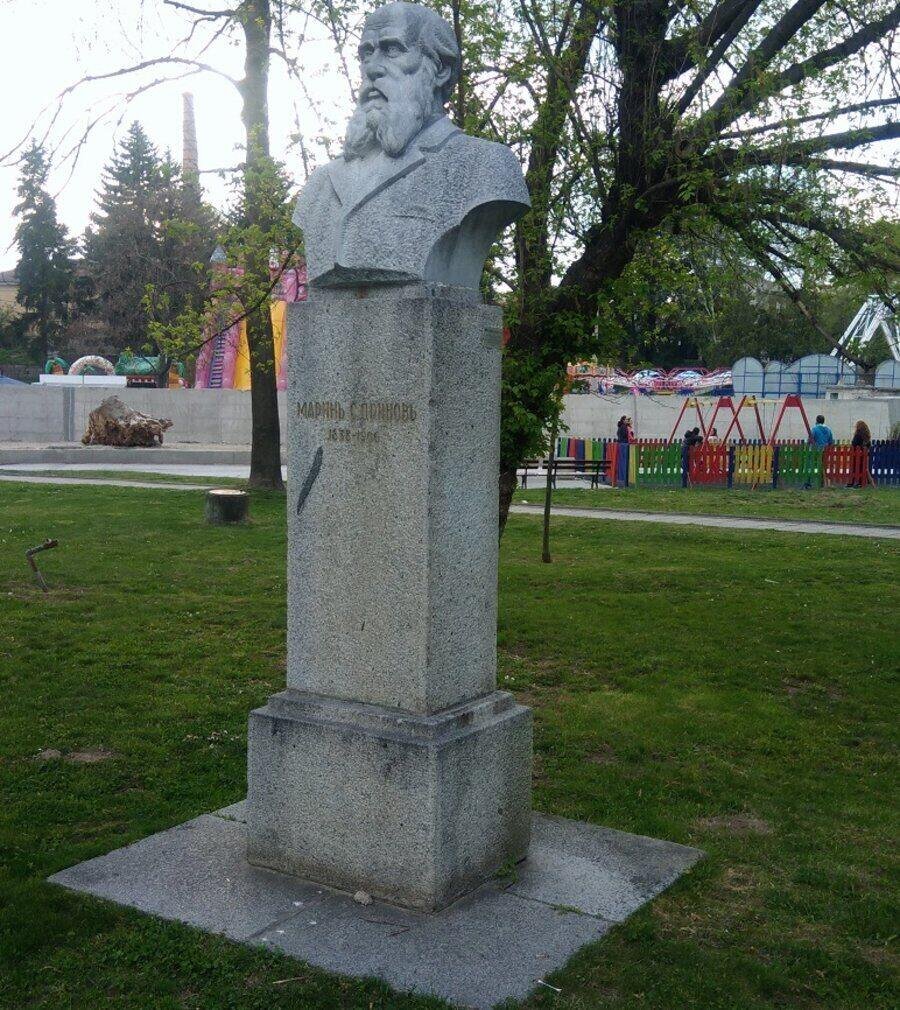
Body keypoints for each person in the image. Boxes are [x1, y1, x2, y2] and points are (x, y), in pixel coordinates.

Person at [293, 2, 530, 289]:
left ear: (441, 70)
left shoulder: (484, 166)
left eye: (392, 49)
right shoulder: (321, 184)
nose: (372, 68)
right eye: (366, 53)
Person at [849, 420, 873, 487]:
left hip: (857, 455)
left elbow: (854, 444)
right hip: (865, 455)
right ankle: (861, 482)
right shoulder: (867, 436)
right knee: (863, 469)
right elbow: (869, 445)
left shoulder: (857, 435)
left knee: (855, 468)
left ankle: (854, 482)